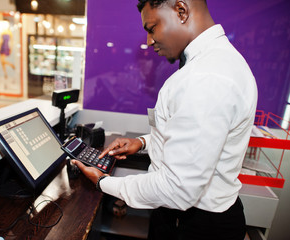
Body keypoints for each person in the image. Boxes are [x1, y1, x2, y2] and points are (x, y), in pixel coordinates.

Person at [73, 0, 258, 239]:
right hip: (188, 215)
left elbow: (178, 188)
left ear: (181, 11)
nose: (149, 41)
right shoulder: (212, 64)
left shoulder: (207, 77)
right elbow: (192, 136)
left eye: (152, 28)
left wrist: (103, 183)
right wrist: (143, 142)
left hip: (196, 224)